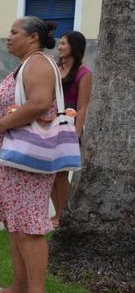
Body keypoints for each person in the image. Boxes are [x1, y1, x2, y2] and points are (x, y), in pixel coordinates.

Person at [0, 16, 60, 293]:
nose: (7, 37)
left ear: (33, 38)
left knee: (28, 228)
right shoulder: (25, 64)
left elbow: (38, 103)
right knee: (14, 225)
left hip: (25, 164)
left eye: (14, 33)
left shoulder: (38, 64)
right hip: (9, 163)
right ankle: (21, 285)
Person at [50, 30, 92, 226]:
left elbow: (82, 107)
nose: (60, 46)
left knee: (61, 174)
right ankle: (57, 213)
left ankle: (61, 214)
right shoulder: (55, 68)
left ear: (74, 47)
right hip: (50, 123)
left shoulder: (84, 73)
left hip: (68, 127)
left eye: (64, 43)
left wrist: (77, 132)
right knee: (48, 172)